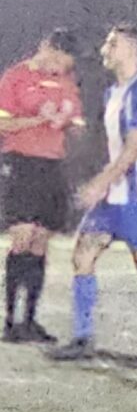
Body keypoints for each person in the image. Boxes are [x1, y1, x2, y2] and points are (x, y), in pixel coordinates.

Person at [51, 25, 137, 366]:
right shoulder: (112, 94)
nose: (104, 49)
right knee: (83, 255)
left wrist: (98, 183)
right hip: (112, 198)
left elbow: (133, 149)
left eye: (112, 43)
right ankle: (82, 338)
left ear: (131, 49)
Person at [0, 30, 83, 344]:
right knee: (22, 236)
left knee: (40, 241)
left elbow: (78, 124)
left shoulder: (66, 82)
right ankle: (11, 322)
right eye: (58, 61)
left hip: (52, 165)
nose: (60, 69)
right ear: (46, 48)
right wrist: (38, 118)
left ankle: (30, 320)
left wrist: (67, 120)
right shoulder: (16, 77)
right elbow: (3, 123)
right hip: (21, 162)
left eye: (66, 65)